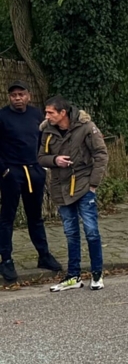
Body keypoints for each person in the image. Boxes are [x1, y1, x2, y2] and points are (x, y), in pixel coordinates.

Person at [38, 96, 108, 292]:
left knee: (91, 231)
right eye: (46, 112)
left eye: (50, 112)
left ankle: (97, 274)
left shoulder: (86, 127)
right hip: (60, 188)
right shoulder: (47, 131)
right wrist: (55, 160)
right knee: (70, 233)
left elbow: (101, 154)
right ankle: (73, 276)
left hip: (84, 186)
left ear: (63, 113)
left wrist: (93, 184)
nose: (46, 115)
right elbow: (41, 157)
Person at [0, 81, 61, 283]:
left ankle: (43, 255)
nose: (17, 98)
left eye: (21, 94)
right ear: (9, 98)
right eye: (13, 95)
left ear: (28, 96)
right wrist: (4, 170)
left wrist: (43, 165)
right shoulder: (3, 116)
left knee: (35, 216)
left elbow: (45, 140)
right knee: (7, 218)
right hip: (12, 172)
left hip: (34, 170)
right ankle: (6, 259)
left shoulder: (36, 115)